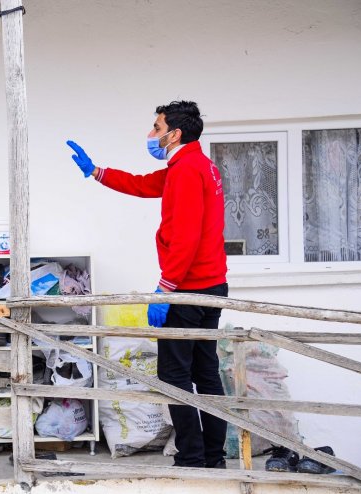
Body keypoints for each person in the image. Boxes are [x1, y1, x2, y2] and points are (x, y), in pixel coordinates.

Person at [67, 100, 229, 469]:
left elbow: (185, 237)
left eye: (156, 128)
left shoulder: (187, 170)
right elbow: (143, 185)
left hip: (190, 289)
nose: (150, 135)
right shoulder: (194, 164)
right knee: (205, 374)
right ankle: (214, 457)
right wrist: (97, 172)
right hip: (212, 287)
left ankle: (193, 458)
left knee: (174, 375)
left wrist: (166, 289)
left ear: (175, 134)